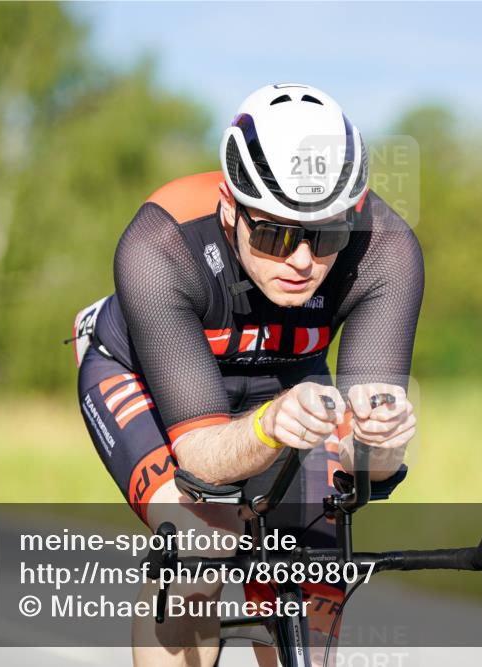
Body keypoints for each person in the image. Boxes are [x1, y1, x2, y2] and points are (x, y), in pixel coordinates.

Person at [73, 83, 424, 667]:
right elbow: (202, 458)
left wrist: (380, 444)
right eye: (275, 235)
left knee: (314, 584)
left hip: (283, 391)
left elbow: (364, 471)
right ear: (231, 208)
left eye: (326, 235)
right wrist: (267, 427)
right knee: (199, 548)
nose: (303, 261)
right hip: (147, 381)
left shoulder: (385, 250)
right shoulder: (161, 243)